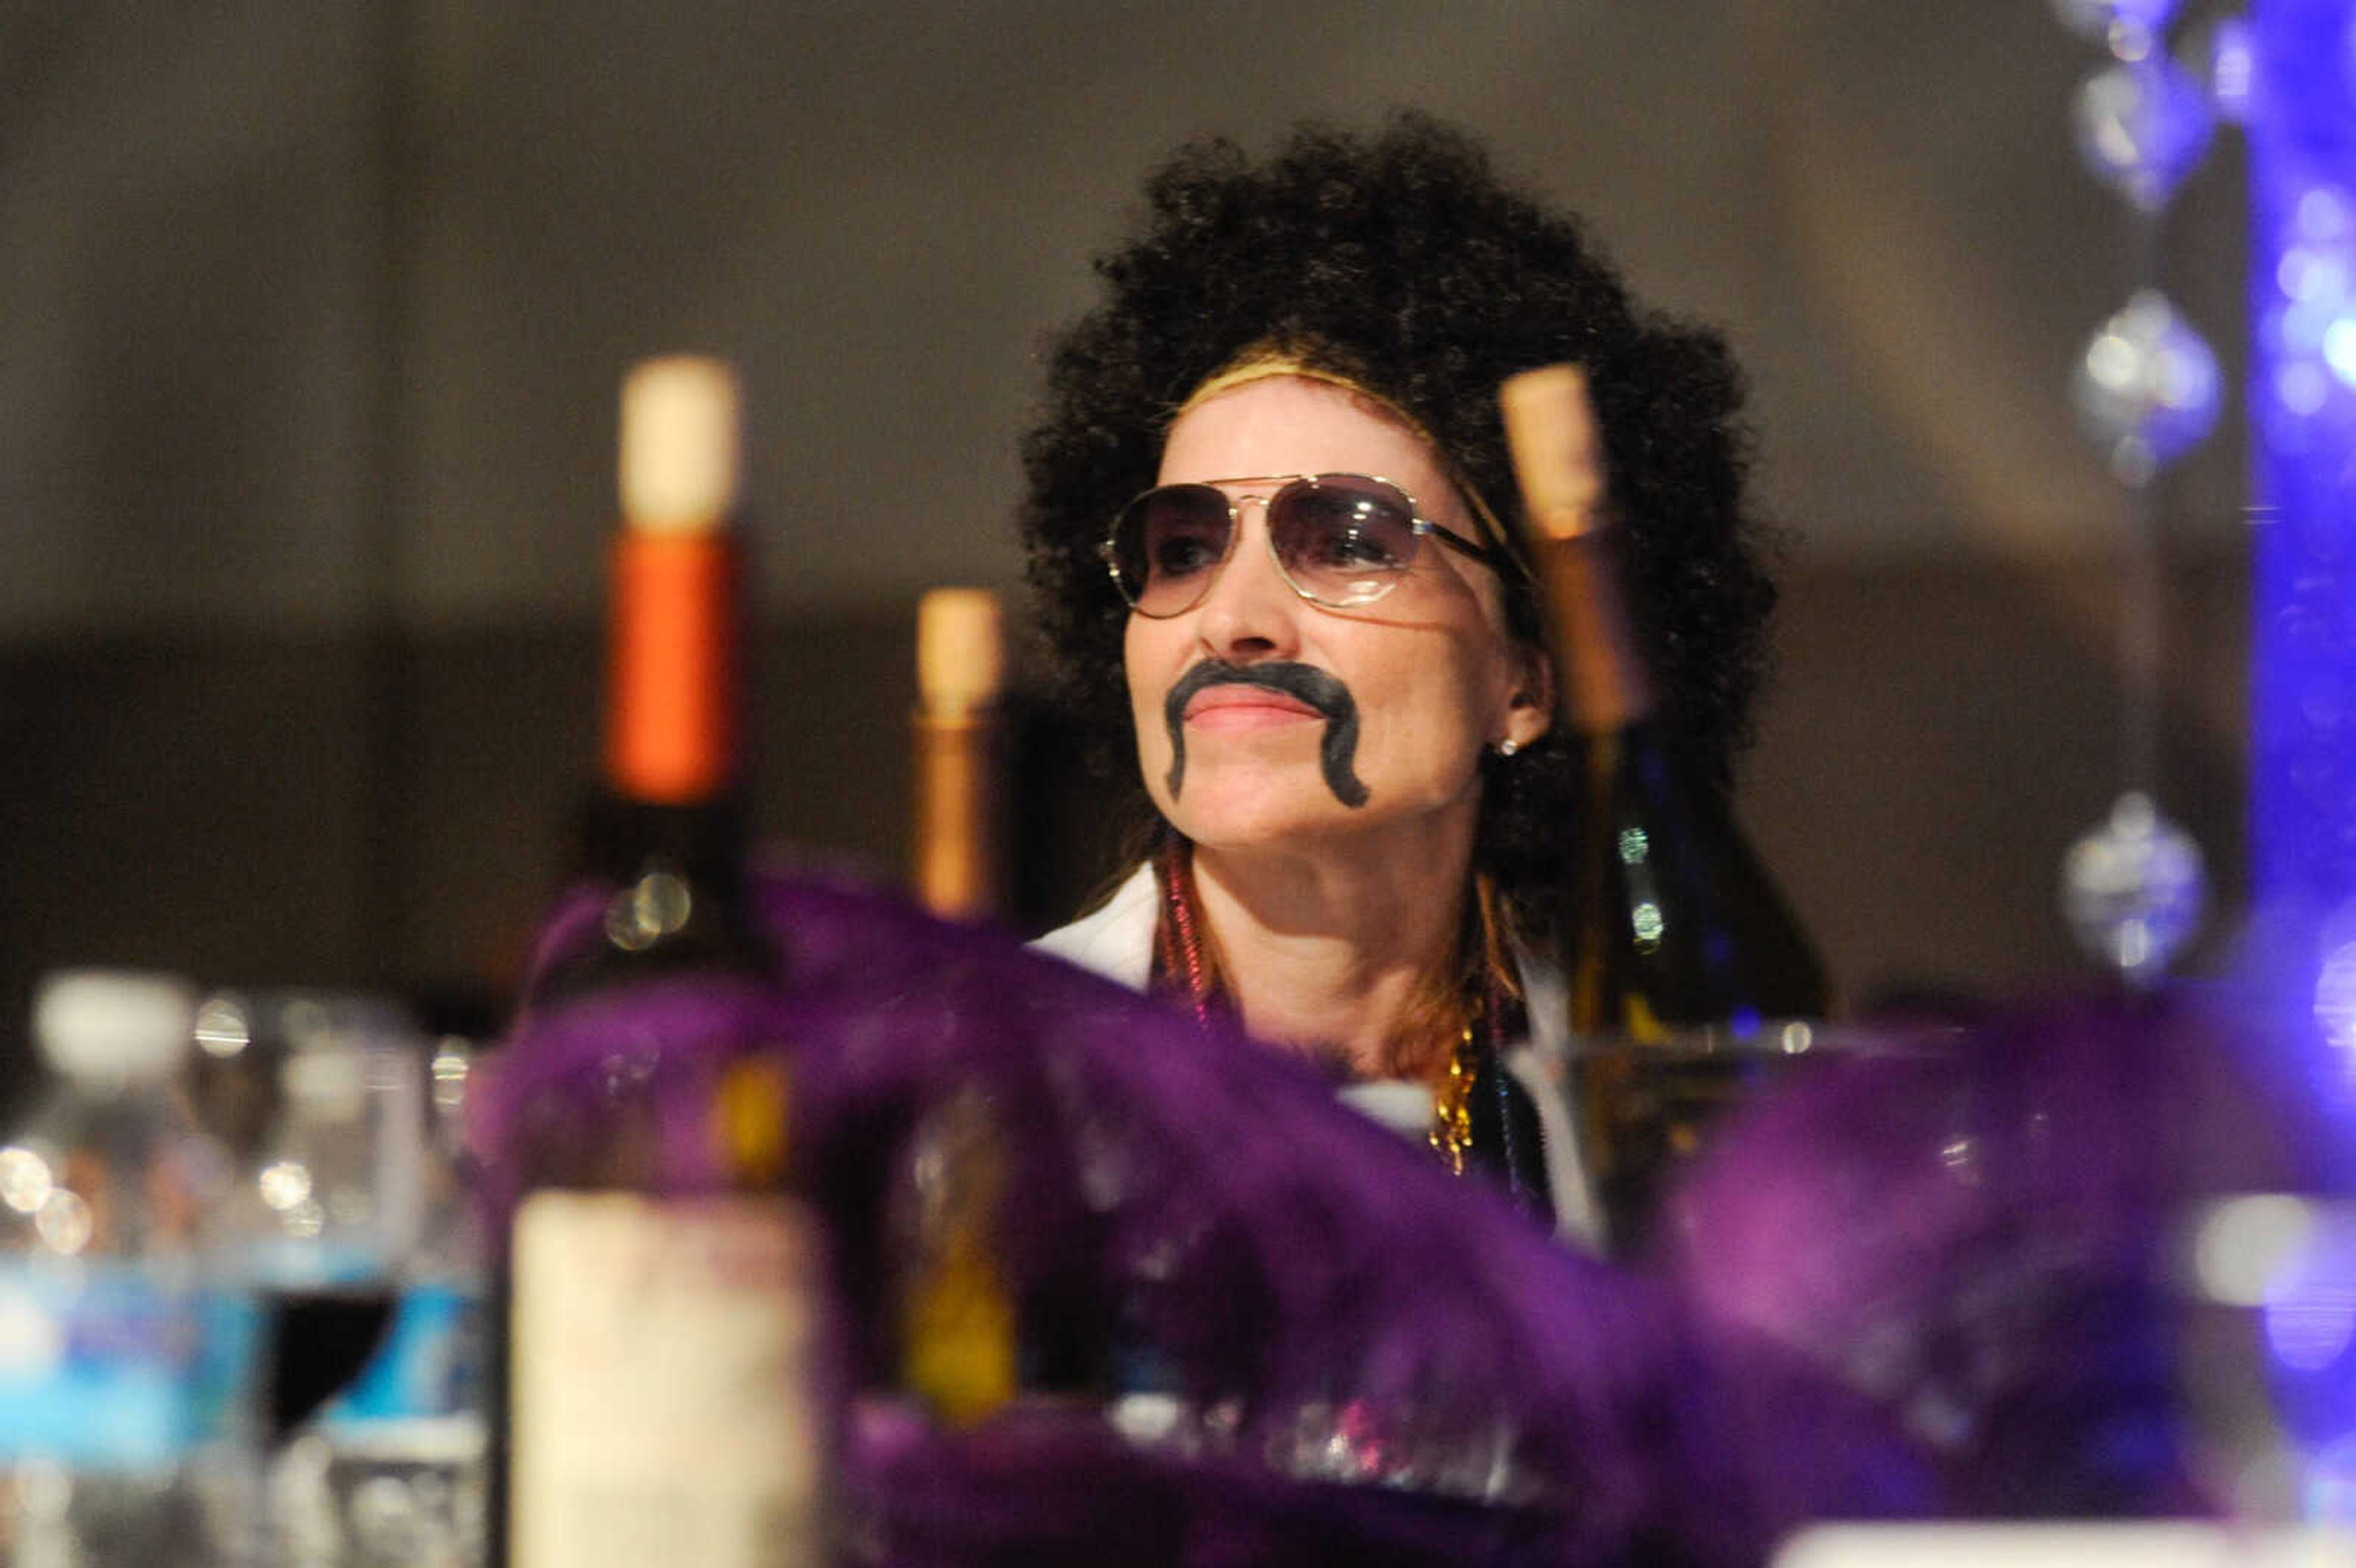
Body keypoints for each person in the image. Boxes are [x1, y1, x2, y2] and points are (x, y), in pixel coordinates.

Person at [1022, 115, 1780, 1240]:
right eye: (1183, 548)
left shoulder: (1666, 1115)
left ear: (1526, 682)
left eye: (1347, 539)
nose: (1231, 620)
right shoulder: (982, 1085)